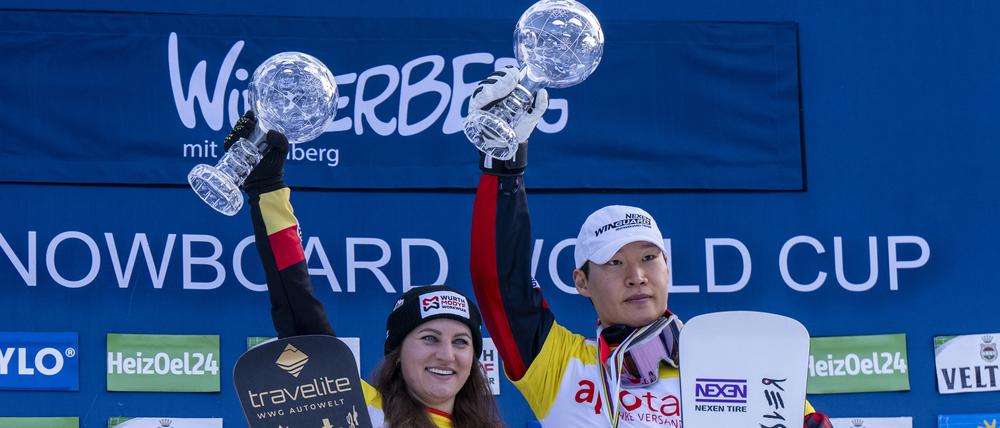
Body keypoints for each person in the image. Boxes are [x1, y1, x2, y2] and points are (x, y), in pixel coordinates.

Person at [467, 67, 832, 427]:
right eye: (613, 263)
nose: (636, 277)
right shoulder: (561, 366)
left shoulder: (737, 369)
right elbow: (501, 284)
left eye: (648, 258)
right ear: (581, 282)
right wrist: (503, 164)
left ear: (667, 267)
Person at [225, 112, 501, 428]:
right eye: (429, 338)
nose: (447, 355)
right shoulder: (361, 412)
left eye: (461, 342)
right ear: (397, 354)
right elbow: (296, 302)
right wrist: (267, 189)